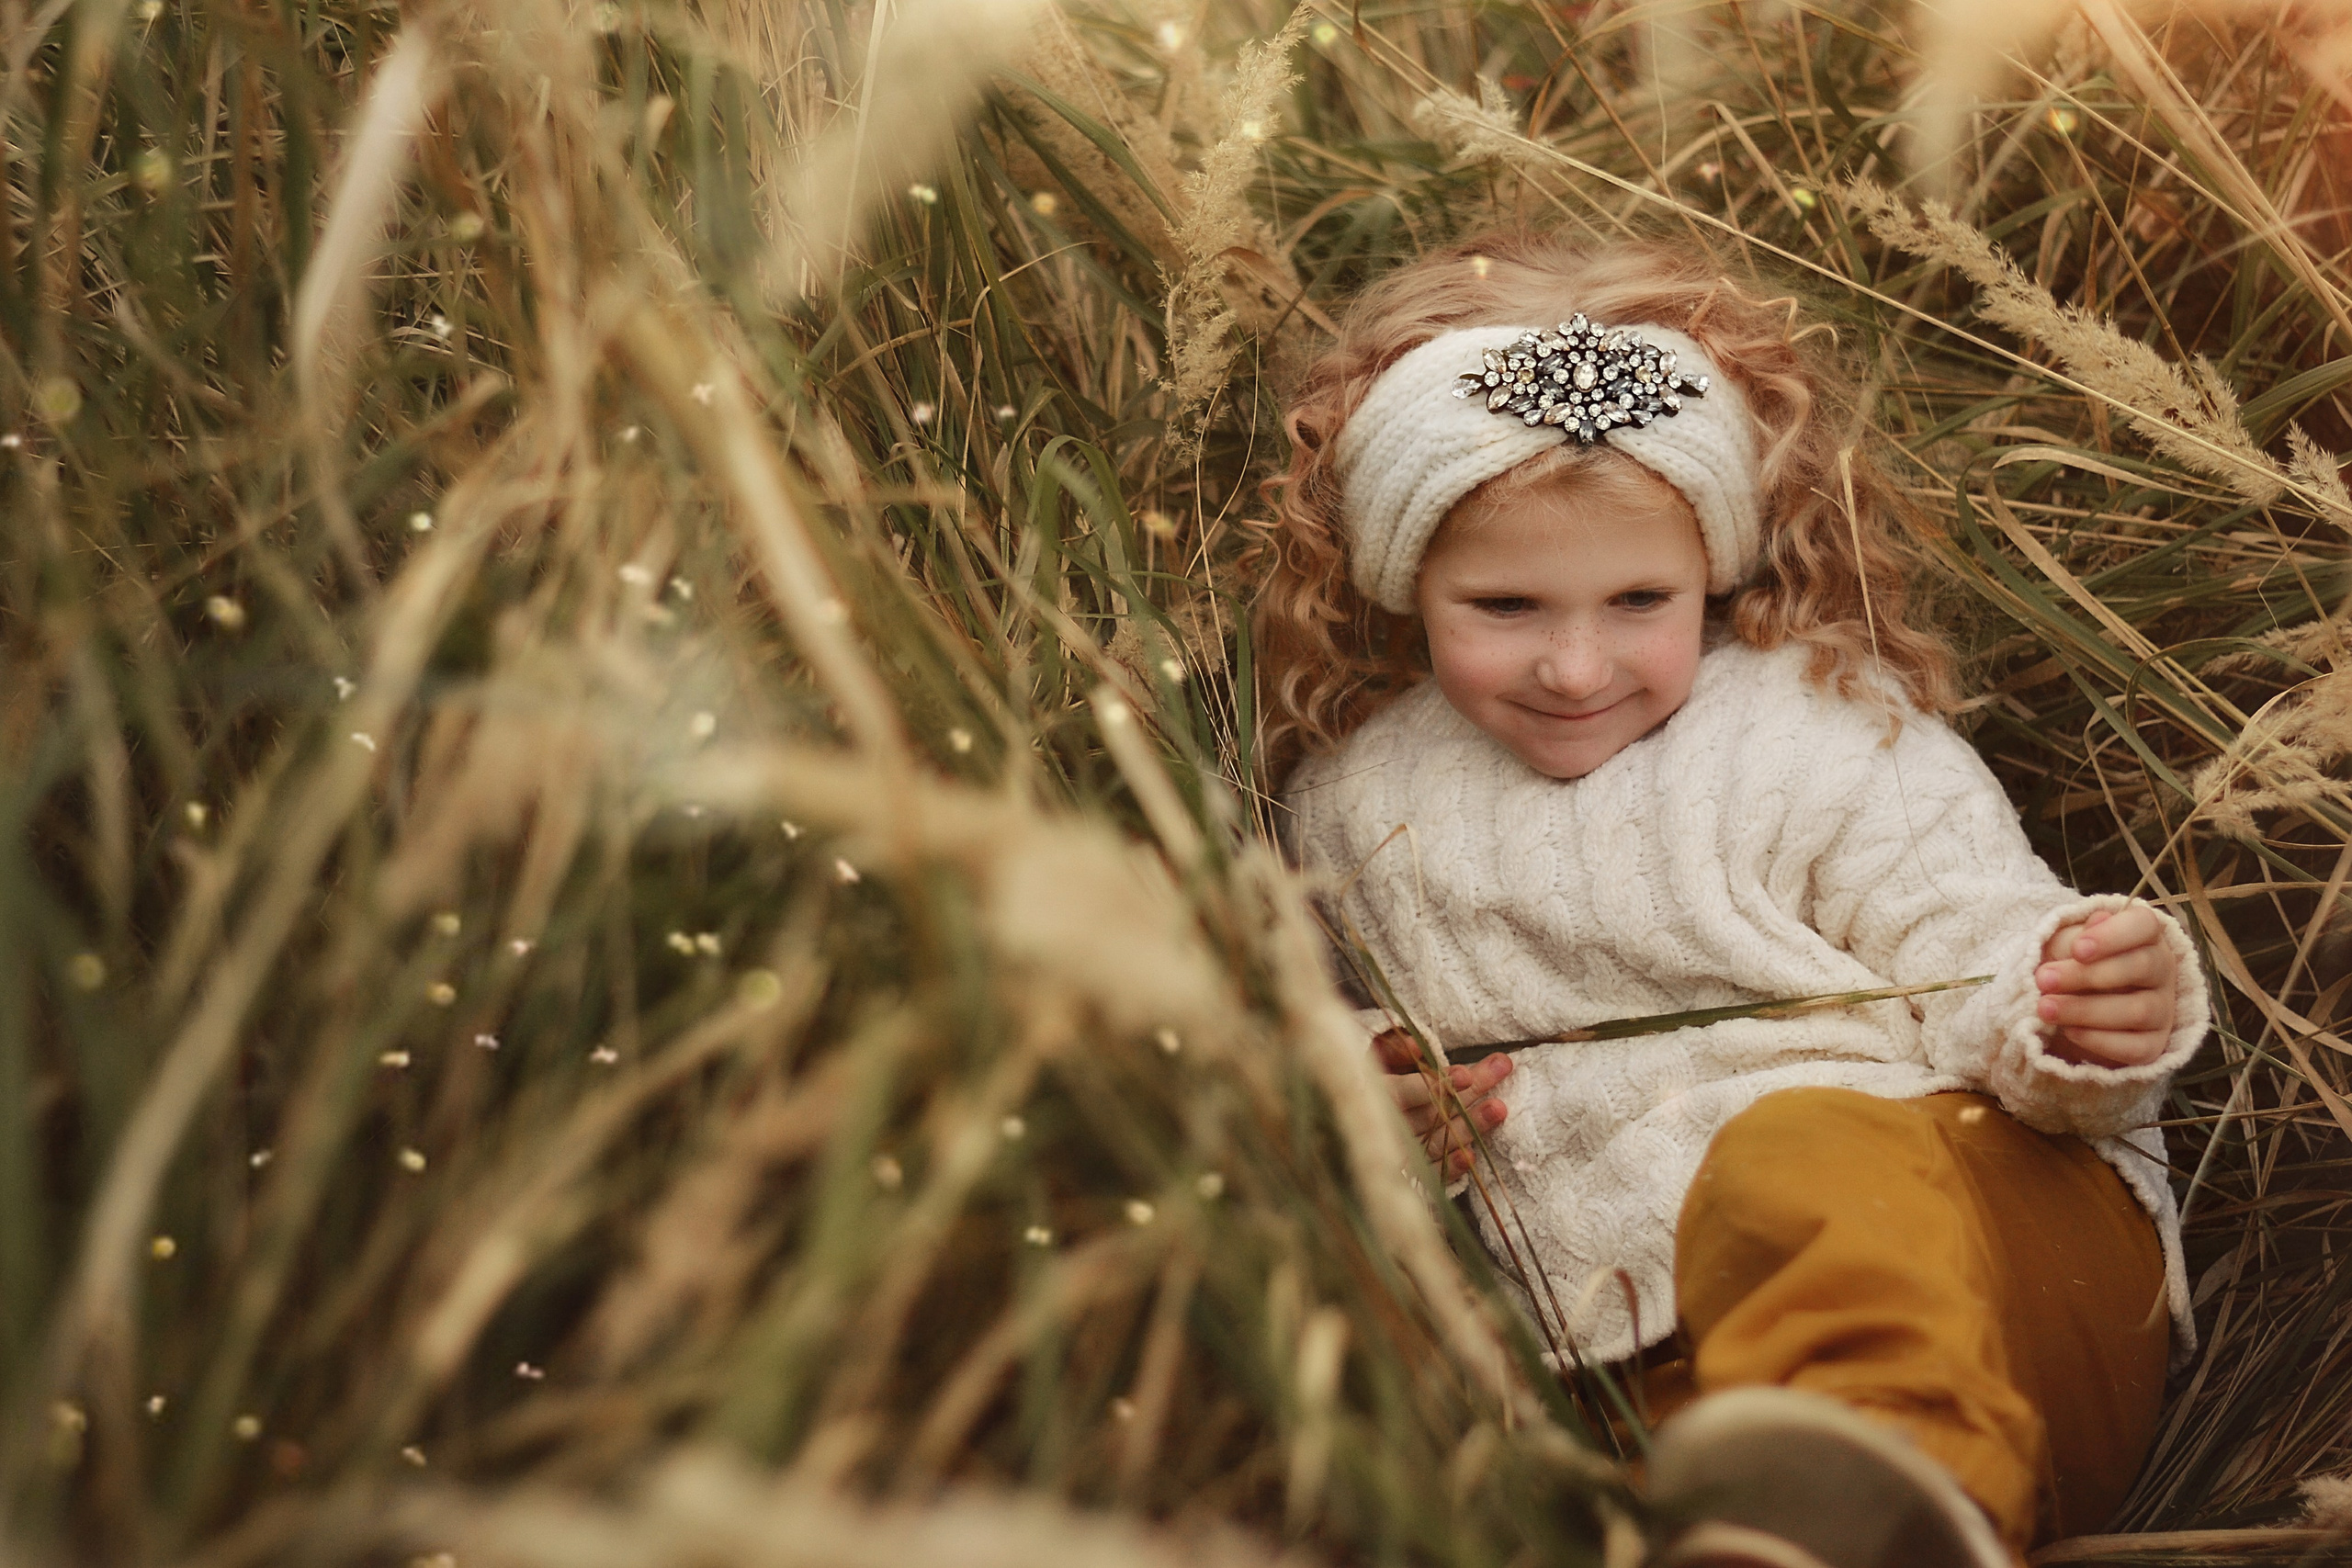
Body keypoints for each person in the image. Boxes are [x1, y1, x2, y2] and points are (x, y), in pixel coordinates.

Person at [1255, 232, 2210, 1568]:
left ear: (1712, 566)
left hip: (1992, 1289)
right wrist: (1373, 1096)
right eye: (1506, 605)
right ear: (1405, 577)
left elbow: (1974, 936)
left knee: (1790, 1160)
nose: (1576, 665)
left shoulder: (1820, 720)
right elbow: (1313, 1032)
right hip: (1630, 1354)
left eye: (1639, 598)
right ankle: (1776, 1533)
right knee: (1478, 1418)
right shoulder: (1348, 801)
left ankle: (1890, 1488)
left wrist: (2079, 1000)